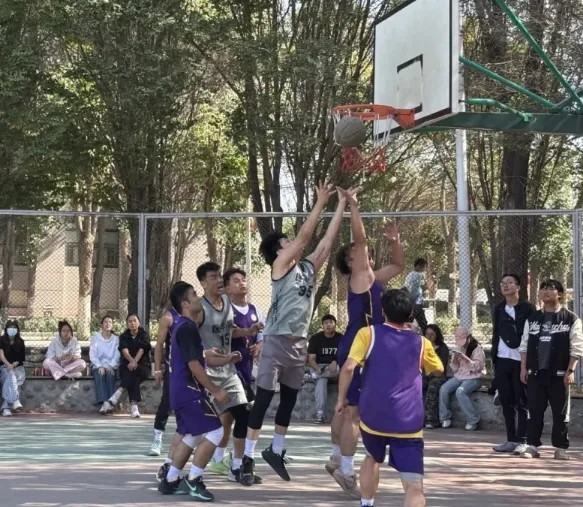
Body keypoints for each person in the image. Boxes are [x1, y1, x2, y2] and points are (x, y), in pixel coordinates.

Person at [240, 183, 349, 487]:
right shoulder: (279, 267)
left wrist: (342, 204)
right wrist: (320, 201)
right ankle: (246, 459)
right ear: (279, 250)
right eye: (287, 241)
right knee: (263, 400)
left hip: (299, 343)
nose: (294, 243)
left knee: (288, 400)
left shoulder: (308, 268)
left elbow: (326, 242)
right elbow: (303, 237)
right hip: (276, 340)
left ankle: (275, 451)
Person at [336, 289, 443, 507]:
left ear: (383, 311)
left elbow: (348, 368)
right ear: (411, 313)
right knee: (414, 484)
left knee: (371, 457)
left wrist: (340, 399)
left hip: (373, 415)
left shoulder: (368, 334)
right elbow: (439, 369)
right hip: (408, 420)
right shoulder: (421, 342)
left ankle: (366, 503)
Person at [328, 187, 404, 498]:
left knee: (347, 409)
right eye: (354, 256)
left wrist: (396, 242)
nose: (360, 255)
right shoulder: (360, 278)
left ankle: (336, 458)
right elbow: (359, 241)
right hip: (359, 347)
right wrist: (353, 207)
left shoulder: (374, 279)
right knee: (354, 413)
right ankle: (346, 471)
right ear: (351, 263)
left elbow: (398, 265)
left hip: (364, 345)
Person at [157, 281, 232, 500]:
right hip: (189, 391)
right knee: (216, 431)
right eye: (194, 294)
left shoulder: (181, 326)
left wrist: (211, 355)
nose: (198, 297)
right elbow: (194, 365)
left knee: (191, 435)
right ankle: (193, 479)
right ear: (185, 304)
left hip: (179, 391)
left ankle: (170, 479)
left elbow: (191, 358)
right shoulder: (187, 328)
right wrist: (216, 390)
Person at [197, 261, 261, 485]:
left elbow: (230, 331)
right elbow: (186, 336)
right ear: (203, 283)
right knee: (199, 427)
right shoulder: (198, 308)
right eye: (213, 277)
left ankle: (236, 467)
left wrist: (249, 331)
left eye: (219, 276)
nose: (218, 281)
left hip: (229, 370)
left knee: (243, 415)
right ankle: (175, 467)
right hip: (207, 371)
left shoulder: (226, 303)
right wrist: (200, 354)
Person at [516, 279, 583, 460]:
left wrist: (570, 371)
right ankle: (532, 446)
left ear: (559, 294)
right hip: (536, 373)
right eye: (543, 289)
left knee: (560, 412)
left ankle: (560, 448)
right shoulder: (533, 318)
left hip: (560, 375)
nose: (545, 292)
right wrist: (523, 368)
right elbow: (524, 345)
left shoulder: (570, 319)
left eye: (550, 288)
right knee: (534, 410)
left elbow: (577, 348)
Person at [491, 274, 536, 453]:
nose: (505, 286)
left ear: (518, 286)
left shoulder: (528, 308)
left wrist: (528, 362)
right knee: (506, 401)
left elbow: (531, 335)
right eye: (503, 283)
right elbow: (496, 333)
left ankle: (523, 440)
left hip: (521, 360)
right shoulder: (498, 308)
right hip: (502, 360)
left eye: (509, 283)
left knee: (522, 401)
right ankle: (511, 439)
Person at [224, 267, 265, 401]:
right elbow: (227, 333)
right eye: (236, 281)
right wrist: (248, 331)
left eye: (243, 280)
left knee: (240, 405)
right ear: (228, 288)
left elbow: (262, 333)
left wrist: (259, 345)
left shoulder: (255, 310)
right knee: (243, 404)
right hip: (230, 367)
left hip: (248, 365)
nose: (242, 283)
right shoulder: (225, 310)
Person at [100, 314, 151, 417]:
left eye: (134, 321)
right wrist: (131, 361)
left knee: (134, 373)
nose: (132, 323)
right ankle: (134, 407)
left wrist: (134, 362)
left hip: (142, 365)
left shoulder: (144, 335)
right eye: (130, 321)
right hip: (127, 365)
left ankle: (117, 394)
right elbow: (124, 350)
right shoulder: (124, 336)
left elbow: (142, 349)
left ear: (139, 322)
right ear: (127, 324)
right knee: (134, 378)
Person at [439, 327, 485, 430]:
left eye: (463, 340)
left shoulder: (477, 348)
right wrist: (455, 360)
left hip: (474, 378)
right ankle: (444, 418)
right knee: (444, 389)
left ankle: (473, 419)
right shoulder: (458, 348)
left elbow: (479, 368)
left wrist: (466, 359)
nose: (462, 344)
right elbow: (455, 369)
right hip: (459, 376)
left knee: (460, 392)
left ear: (469, 337)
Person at [150, 300, 180, 457]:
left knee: (191, 404)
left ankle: (188, 440)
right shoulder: (169, 318)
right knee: (167, 403)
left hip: (192, 367)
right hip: (172, 369)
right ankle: (157, 438)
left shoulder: (196, 315)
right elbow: (159, 345)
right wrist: (157, 369)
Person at [307, 314, 342, 424]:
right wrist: (317, 367)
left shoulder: (341, 338)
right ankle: (320, 414)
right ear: (322, 325)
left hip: (335, 369)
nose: (328, 325)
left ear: (335, 325)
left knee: (336, 369)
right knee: (321, 381)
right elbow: (311, 359)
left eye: (331, 322)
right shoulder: (315, 338)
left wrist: (335, 361)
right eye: (326, 323)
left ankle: (311, 376)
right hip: (319, 368)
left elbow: (345, 356)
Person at [89, 316, 120, 411]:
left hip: (111, 365)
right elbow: (93, 354)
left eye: (110, 322)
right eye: (105, 322)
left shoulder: (116, 339)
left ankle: (109, 403)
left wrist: (111, 366)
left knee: (110, 374)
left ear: (112, 325)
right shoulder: (96, 337)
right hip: (98, 365)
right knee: (100, 374)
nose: (108, 324)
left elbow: (117, 354)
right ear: (101, 325)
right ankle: (105, 402)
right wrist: (99, 366)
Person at [423, 324, 449, 429]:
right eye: (427, 334)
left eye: (432, 334)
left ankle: (431, 420)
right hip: (425, 374)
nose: (429, 337)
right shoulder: (422, 346)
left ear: (437, 335)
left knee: (432, 388)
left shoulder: (442, 348)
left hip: (438, 376)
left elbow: (440, 368)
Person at [0, 320, 26, 416]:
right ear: (6, 329)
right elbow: (1, 356)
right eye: (10, 327)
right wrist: (8, 365)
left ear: (17, 330)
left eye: (14, 328)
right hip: (4, 366)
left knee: (12, 377)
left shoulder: (21, 342)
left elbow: (21, 358)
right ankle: (15, 400)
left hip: (18, 368)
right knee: (10, 375)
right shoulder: (1, 340)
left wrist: (13, 365)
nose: (12, 329)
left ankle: (6, 408)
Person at [403, 258, 428, 334]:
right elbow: (414, 291)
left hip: (409, 302)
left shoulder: (410, 274)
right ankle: (427, 337)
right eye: (423, 267)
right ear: (418, 266)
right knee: (422, 323)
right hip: (415, 302)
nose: (424, 269)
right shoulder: (417, 275)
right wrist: (413, 302)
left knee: (409, 321)